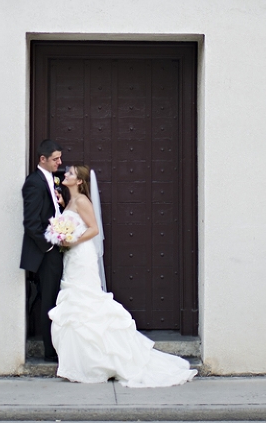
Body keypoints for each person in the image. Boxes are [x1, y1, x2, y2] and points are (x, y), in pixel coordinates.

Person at [49, 165, 197, 387]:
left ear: (79, 181)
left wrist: (72, 240)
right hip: (72, 258)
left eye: (70, 173)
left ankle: (99, 360)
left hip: (82, 255)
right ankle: (81, 362)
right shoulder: (70, 201)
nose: (65, 175)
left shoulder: (82, 201)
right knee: (76, 301)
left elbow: (94, 229)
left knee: (86, 301)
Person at [20, 139, 65, 362]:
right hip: (46, 252)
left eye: (60, 158)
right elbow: (31, 223)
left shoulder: (50, 180)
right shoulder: (34, 183)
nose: (60, 162)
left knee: (55, 297)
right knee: (49, 299)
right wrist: (48, 246)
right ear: (42, 159)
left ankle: (56, 345)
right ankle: (49, 351)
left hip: (55, 248)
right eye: (55, 159)